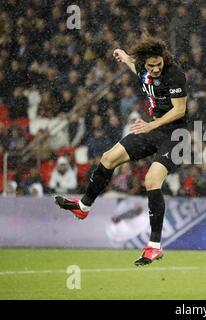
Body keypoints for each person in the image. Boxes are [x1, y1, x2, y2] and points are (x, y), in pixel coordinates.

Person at [55, 34, 187, 266]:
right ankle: (84, 206)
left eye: (159, 64)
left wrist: (150, 125)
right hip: (153, 128)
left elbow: (179, 110)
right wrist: (124, 55)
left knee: (151, 179)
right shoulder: (143, 67)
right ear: (145, 62)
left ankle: (154, 246)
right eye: (151, 65)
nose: (155, 69)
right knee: (108, 158)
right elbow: (134, 66)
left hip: (175, 135)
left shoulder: (174, 73)